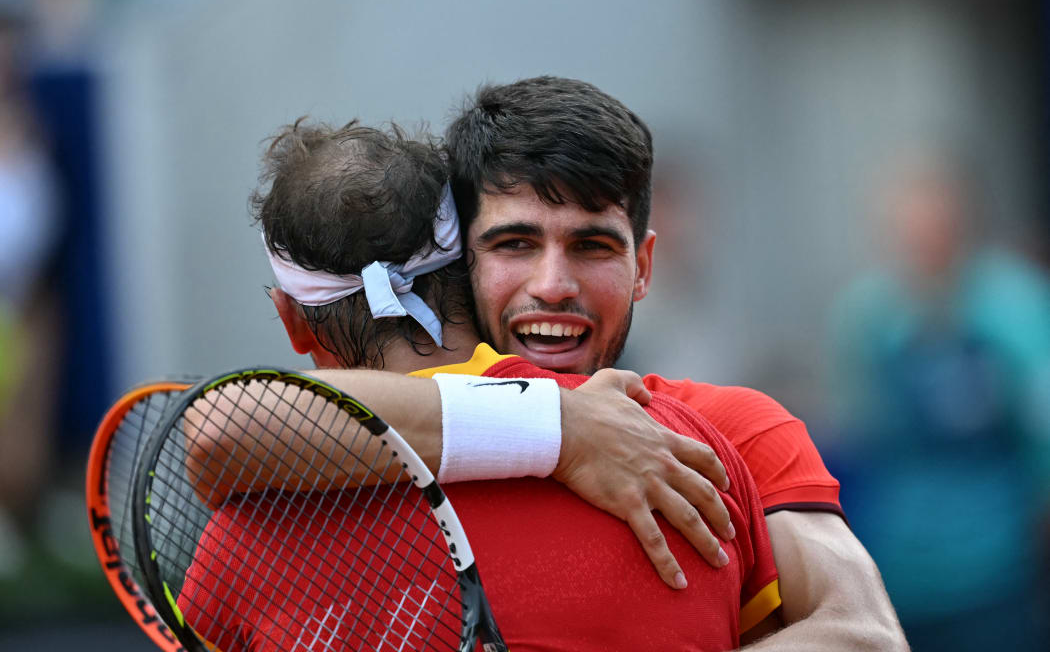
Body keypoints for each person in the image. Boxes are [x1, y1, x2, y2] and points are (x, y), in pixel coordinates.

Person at [196, 77, 907, 649]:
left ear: (644, 265)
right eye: (514, 244)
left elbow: (866, 637)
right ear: (460, 261)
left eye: (593, 246)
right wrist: (560, 428)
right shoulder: (304, 458)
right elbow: (220, 430)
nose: (553, 284)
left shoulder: (726, 430)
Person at [828, 152, 1050, 650]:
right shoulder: (869, 315)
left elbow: (1043, 443)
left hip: (995, 568)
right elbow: (860, 438)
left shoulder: (1014, 308)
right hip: (901, 569)